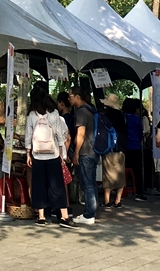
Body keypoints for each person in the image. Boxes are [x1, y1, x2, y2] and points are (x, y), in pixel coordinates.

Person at [26, 92, 75, 227]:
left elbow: (28, 136)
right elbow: (60, 136)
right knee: (57, 186)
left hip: (37, 155)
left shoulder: (31, 115)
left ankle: (41, 216)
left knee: (38, 184)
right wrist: (61, 153)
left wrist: (28, 153)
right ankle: (64, 216)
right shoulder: (54, 114)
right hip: (53, 154)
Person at [68, 86, 99, 224]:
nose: (69, 98)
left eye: (71, 96)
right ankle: (92, 211)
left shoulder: (81, 112)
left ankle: (89, 214)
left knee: (87, 184)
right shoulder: (91, 109)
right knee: (91, 182)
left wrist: (76, 153)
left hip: (85, 151)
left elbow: (80, 134)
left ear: (77, 97)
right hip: (94, 151)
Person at [99, 94, 128, 209]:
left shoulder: (106, 116)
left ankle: (107, 200)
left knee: (107, 174)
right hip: (121, 148)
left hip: (109, 147)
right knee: (120, 174)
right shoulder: (122, 116)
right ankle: (118, 200)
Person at [122, 98, 148, 201]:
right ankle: (139, 192)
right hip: (135, 147)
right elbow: (140, 133)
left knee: (123, 170)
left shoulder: (122, 117)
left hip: (124, 147)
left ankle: (122, 191)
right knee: (137, 171)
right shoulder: (136, 119)